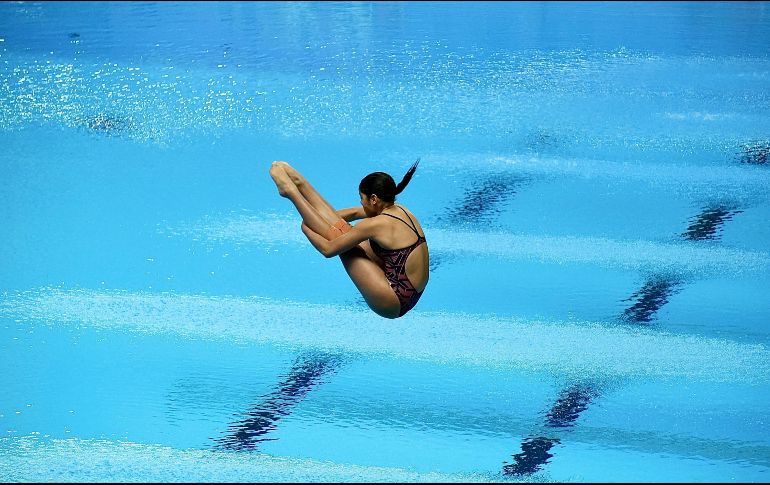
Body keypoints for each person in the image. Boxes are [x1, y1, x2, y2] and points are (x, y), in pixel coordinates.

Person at [269, 160, 429, 319]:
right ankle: (300, 183)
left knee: (343, 240)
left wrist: (306, 226)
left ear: (373, 199)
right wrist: (317, 218)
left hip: (393, 302)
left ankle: (291, 192)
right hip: (411, 291)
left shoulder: (375, 225)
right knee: (346, 232)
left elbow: (328, 249)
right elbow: (353, 213)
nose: (360, 202)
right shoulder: (400, 210)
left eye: (361, 198)